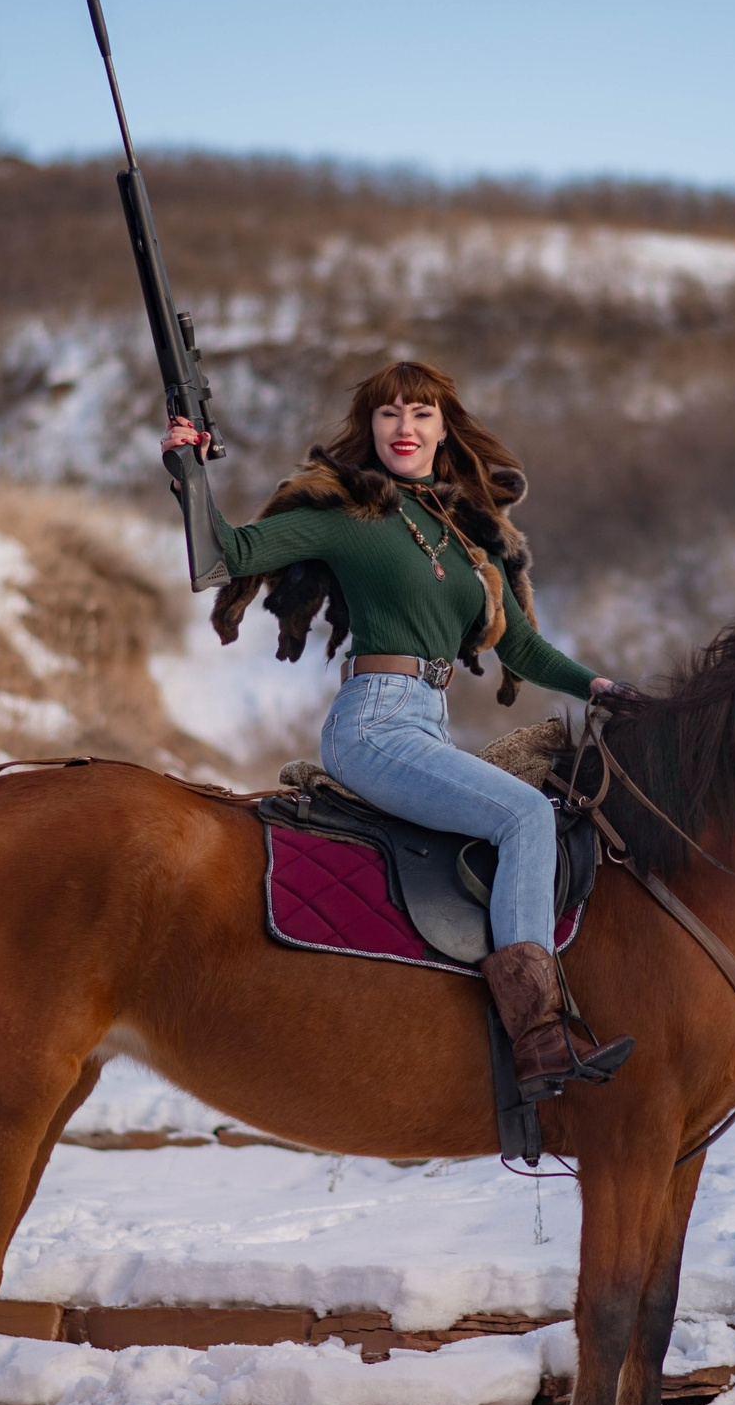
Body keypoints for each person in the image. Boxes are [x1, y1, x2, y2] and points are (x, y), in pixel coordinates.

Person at [162, 360, 632, 1099]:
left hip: (429, 724)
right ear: (371, 429)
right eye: (388, 415)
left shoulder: (467, 537)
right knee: (525, 815)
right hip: (375, 722)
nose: (403, 428)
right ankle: (539, 1033)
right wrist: (187, 466)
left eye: (420, 414)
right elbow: (227, 554)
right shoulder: (350, 515)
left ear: (445, 428)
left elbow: (522, 649)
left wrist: (602, 687)